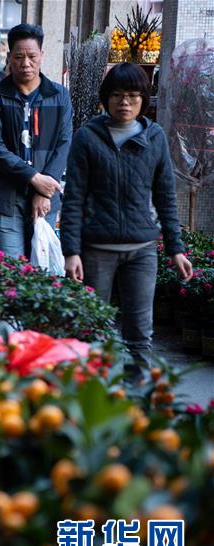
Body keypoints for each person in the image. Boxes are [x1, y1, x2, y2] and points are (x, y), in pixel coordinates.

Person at [61, 63, 193, 373]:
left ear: (144, 100)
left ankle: (138, 406)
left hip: (142, 250)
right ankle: (95, 399)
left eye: (133, 95)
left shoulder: (155, 137)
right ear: (105, 98)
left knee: (139, 334)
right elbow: (74, 198)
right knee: (93, 330)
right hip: (96, 250)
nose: (125, 102)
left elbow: (165, 196)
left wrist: (176, 248)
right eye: (118, 95)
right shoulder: (87, 137)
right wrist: (71, 251)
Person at [0, 23, 72, 258]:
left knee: (41, 274)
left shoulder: (58, 96)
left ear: (42, 55)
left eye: (32, 56)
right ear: (9, 57)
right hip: (3, 198)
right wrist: (34, 178)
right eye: (19, 56)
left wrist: (45, 187)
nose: (26, 63)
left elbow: (64, 143)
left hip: (45, 199)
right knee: (11, 273)